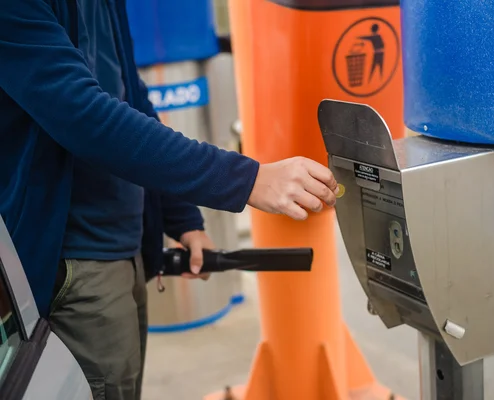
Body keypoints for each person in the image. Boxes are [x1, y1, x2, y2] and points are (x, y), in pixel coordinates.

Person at [0, 1, 339, 399]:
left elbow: (130, 93)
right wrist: (249, 180)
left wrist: (182, 217)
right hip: (74, 264)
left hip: (125, 246)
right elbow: (84, 116)